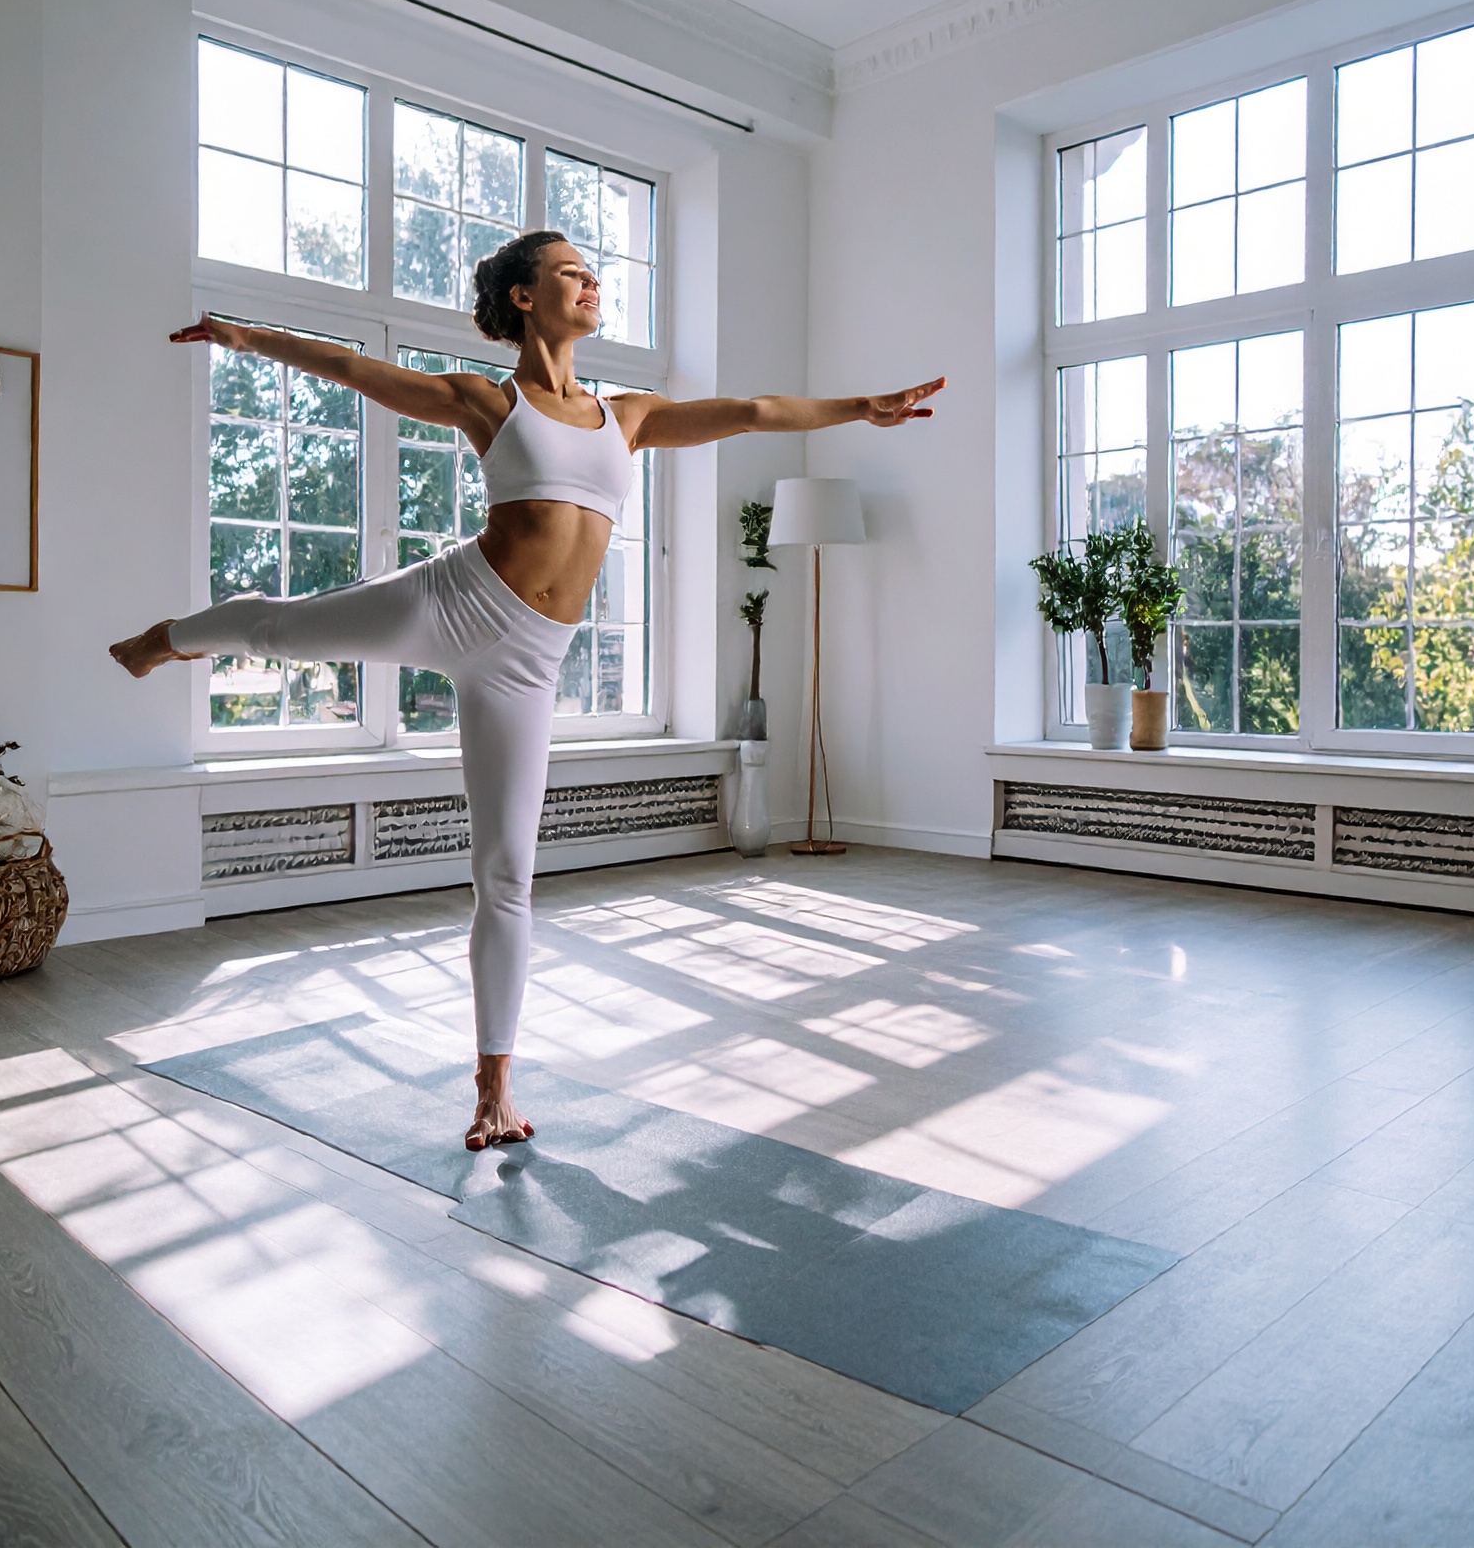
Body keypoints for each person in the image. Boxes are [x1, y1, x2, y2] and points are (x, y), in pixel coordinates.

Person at [111, 229, 942, 1149]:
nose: (592, 285)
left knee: (506, 872)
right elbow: (354, 368)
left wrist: (862, 408)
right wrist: (243, 338)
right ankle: (168, 639)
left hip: (527, 661)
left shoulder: (628, 416)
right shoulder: (489, 402)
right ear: (523, 298)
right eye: (571, 274)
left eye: (593, 275)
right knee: (279, 628)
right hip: (449, 602)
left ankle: (493, 1087)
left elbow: (751, 409)